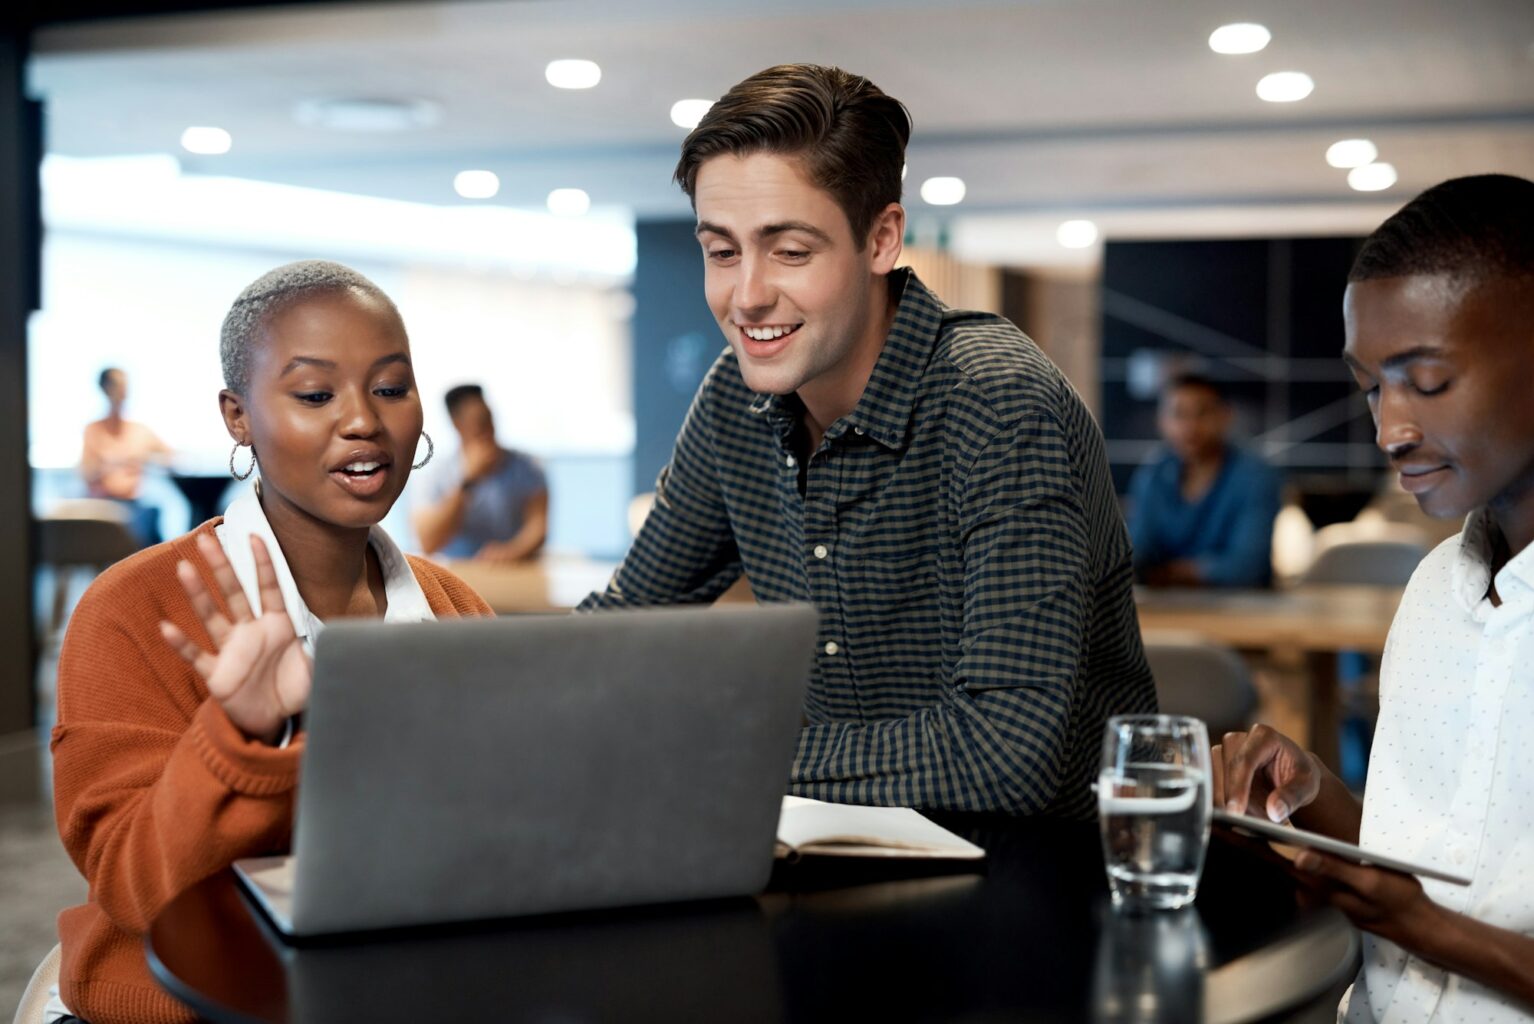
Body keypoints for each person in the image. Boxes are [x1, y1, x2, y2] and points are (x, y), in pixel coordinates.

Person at [579, 64, 1156, 816]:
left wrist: (726, 752)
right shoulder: (734, 399)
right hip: (846, 857)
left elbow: (1006, 754)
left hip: (1047, 879)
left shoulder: (997, 403)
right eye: (722, 251)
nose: (746, 295)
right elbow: (623, 630)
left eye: (789, 250)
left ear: (881, 239)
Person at [48, 261, 492, 1024]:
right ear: (237, 415)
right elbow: (130, 884)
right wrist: (239, 737)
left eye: (390, 387)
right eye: (315, 394)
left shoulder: (452, 608)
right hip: (198, 1005)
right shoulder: (134, 609)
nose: (363, 421)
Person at [1216, 174, 1534, 1020]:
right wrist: (1313, 798)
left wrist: (1426, 929)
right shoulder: (1434, 590)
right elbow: (1436, 856)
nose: (1389, 427)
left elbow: (1427, 912)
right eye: (1369, 386)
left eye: (1425, 381)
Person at [1128, 373, 1281, 587]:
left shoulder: (1256, 476)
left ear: (1225, 416)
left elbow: (1248, 567)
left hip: (1242, 611)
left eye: (1202, 413)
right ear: (1161, 421)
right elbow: (1136, 553)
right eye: (1178, 414)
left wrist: (1168, 573)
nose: (1191, 426)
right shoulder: (1152, 474)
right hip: (1165, 610)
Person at [411, 384, 548, 562]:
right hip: (457, 569)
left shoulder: (528, 467)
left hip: (515, 568)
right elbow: (428, 542)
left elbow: (538, 528)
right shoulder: (435, 474)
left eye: (489, 418)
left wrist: (510, 553)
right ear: (456, 424)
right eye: (478, 422)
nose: (488, 429)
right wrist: (468, 481)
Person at [80, 367, 173, 546]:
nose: (123, 391)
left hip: (134, 504)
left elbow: (171, 456)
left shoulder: (139, 431)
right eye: (117, 386)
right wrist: (114, 463)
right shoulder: (94, 431)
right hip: (104, 507)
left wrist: (146, 459)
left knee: (152, 516)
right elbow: (86, 473)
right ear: (105, 389)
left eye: (125, 386)